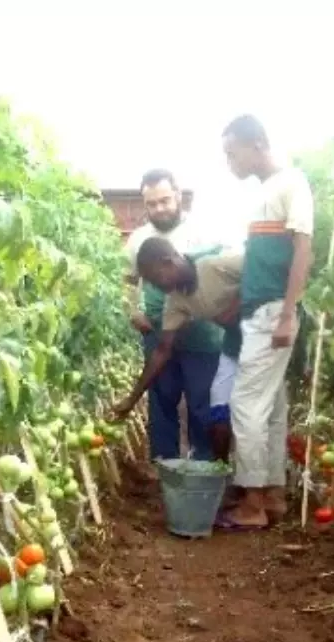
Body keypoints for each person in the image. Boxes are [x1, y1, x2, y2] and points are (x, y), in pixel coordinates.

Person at [216, 114, 315, 531]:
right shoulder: (267, 193)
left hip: (273, 312)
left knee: (246, 404)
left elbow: (303, 251)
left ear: (257, 145)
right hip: (263, 310)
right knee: (271, 406)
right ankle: (272, 496)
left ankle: (251, 502)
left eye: (231, 152)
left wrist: (288, 313)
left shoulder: (292, 183)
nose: (229, 162)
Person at [111, 237, 243, 463]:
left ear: (168, 261)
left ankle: (252, 483)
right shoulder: (176, 301)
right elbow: (163, 351)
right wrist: (132, 399)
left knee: (249, 411)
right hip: (234, 344)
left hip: (263, 336)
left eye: (155, 278)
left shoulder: (214, 265)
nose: (155, 286)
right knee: (219, 410)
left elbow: (261, 273)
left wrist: (236, 306)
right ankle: (217, 473)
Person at [122, 169, 223, 463]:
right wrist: (133, 310)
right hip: (157, 330)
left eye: (164, 200)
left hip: (201, 332)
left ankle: (202, 461)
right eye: (151, 203)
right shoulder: (138, 239)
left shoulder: (202, 230)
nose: (159, 209)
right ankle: (164, 462)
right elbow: (125, 281)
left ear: (178, 196)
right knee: (162, 398)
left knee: (201, 400)